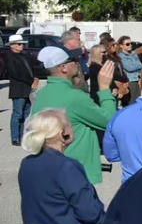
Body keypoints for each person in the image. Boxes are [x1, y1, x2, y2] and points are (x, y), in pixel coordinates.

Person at [31, 47, 116, 186]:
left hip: (52, 168)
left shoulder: (42, 94)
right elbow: (110, 121)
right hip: (76, 173)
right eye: (74, 60)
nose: (77, 63)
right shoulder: (75, 97)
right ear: (63, 67)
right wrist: (105, 88)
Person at [6, 33, 38, 146]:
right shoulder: (9, 57)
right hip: (18, 89)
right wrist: (31, 81)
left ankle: (24, 136)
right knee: (17, 114)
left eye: (22, 44)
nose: (22, 46)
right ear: (12, 45)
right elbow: (16, 74)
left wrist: (35, 78)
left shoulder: (24, 55)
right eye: (19, 44)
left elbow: (32, 68)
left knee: (27, 114)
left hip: (27, 88)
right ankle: (15, 137)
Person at [116, 36, 142, 103]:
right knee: (131, 101)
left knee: (137, 101)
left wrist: (140, 74)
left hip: (138, 79)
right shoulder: (121, 56)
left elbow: (141, 66)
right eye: (127, 44)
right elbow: (129, 68)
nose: (130, 45)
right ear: (121, 46)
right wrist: (139, 66)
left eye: (131, 43)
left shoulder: (133, 54)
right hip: (129, 81)